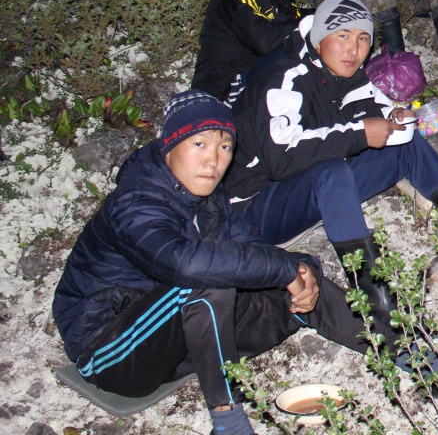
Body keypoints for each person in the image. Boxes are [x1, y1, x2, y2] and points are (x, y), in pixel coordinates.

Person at [225, 0, 438, 344]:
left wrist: (395, 117)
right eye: (342, 35)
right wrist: (360, 133)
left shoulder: (347, 74)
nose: (353, 49)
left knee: (404, 143)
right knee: (333, 172)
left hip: (314, 191)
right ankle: (377, 303)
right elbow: (280, 158)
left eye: (363, 38)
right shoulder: (282, 77)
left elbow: (377, 108)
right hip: (255, 212)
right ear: (319, 37)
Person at [53, 91, 367, 435]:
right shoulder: (134, 202)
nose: (213, 161)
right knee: (208, 280)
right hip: (110, 351)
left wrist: (302, 267)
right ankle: (229, 425)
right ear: (169, 147)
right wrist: (283, 268)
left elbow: (250, 247)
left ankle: (394, 346)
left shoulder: (208, 197)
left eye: (224, 146)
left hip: (179, 342)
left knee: (287, 282)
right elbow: (185, 265)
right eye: (199, 144)